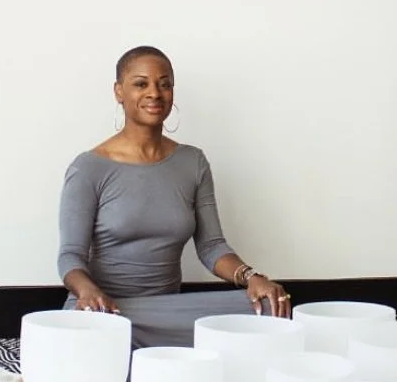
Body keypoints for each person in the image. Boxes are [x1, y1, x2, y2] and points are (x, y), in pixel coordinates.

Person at [57, 45, 290, 342]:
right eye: (141, 84)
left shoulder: (192, 162)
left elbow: (211, 246)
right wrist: (89, 292)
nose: (154, 93)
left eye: (164, 84)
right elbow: (70, 256)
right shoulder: (88, 168)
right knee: (96, 339)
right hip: (106, 311)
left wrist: (252, 277)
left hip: (169, 311)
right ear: (119, 92)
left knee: (270, 307)